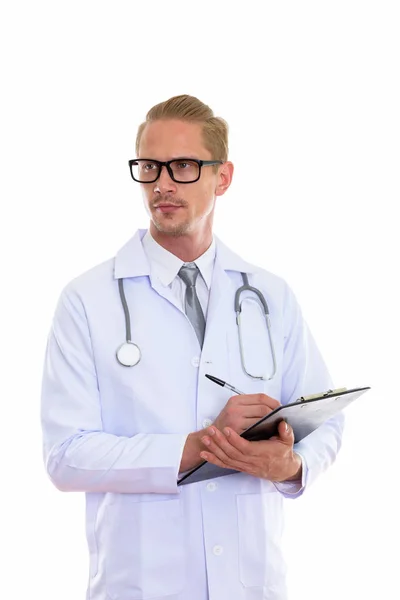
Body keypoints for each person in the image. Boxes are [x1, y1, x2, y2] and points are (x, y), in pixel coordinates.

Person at [40, 94, 344, 600]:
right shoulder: (87, 299)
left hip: (252, 585)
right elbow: (65, 456)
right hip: (140, 584)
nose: (161, 183)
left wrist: (291, 466)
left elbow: (325, 418)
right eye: (150, 166)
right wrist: (201, 446)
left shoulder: (269, 294)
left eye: (182, 166)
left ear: (222, 177)